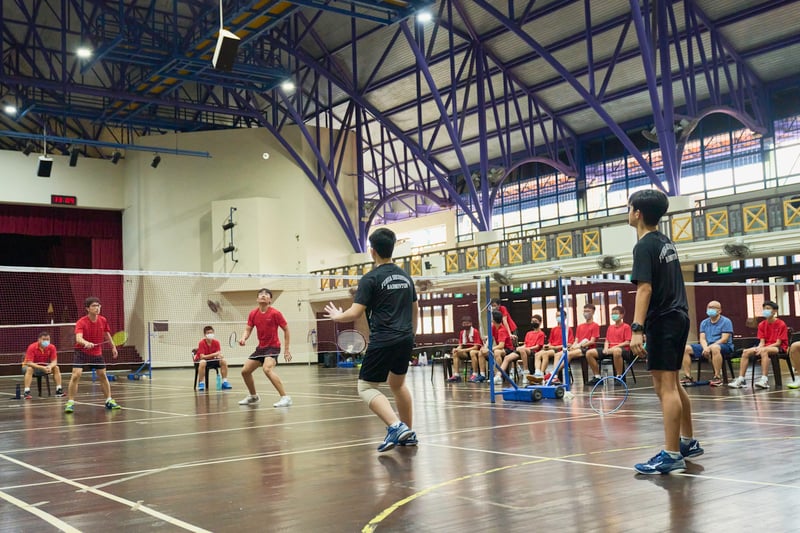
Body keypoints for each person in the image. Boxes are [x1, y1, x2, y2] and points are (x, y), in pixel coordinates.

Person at [324, 228, 418, 452]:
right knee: (398, 384)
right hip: (405, 338)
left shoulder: (370, 279)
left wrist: (338, 315)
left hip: (384, 339)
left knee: (365, 387)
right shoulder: (406, 277)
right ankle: (407, 432)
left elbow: (355, 313)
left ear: (371, 251)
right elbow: (415, 308)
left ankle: (395, 426)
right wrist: (411, 335)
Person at [628, 189, 700, 475]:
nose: (628, 211)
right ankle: (687, 442)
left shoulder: (644, 246)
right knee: (673, 383)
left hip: (663, 319)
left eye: (629, 207)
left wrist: (636, 329)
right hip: (679, 315)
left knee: (665, 387)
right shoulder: (666, 242)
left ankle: (671, 455)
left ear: (638, 213)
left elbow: (644, 288)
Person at [64, 297, 121, 413]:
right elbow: (78, 338)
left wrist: (113, 347)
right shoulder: (81, 322)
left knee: (102, 375)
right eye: (94, 306)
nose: (97, 308)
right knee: (76, 375)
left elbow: (107, 334)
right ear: (87, 308)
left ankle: (109, 400)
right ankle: (70, 402)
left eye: (98, 305)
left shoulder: (103, 320)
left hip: (96, 352)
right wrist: (86, 343)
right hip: (81, 352)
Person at [237, 289, 292, 407]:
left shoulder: (275, 313)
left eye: (266, 294)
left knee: (267, 369)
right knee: (245, 371)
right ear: (257, 299)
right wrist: (243, 338)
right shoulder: (253, 314)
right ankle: (253, 396)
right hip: (261, 348)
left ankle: (285, 397)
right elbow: (248, 329)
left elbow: (286, 330)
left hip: (273, 347)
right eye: (261, 294)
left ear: (270, 300)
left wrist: (286, 350)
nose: (263, 296)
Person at [728, 301, 788, 389]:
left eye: (768, 309)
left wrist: (763, 348)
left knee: (763, 351)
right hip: (765, 346)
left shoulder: (781, 324)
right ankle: (741, 379)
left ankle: (764, 380)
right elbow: (762, 342)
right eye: (764, 309)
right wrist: (759, 347)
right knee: (745, 352)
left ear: (774, 311)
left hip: (778, 347)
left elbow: (778, 343)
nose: (765, 311)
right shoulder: (761, 325)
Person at [680, 300, 734, 387]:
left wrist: (710, 347)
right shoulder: (704, 323)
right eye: (709, 307)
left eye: (713, 308)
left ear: (719, 310)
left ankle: (717, 377)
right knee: (685, 348)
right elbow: (702, 339)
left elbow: (724, 339)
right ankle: (688, 376)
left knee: (715, 348)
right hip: (707, 345)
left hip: (724, 346)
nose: (710, 309)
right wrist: (705, 348)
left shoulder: (726, 321)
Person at [586, 305, 631, 383]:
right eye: (612, 314)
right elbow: (607, 340)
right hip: (609, 349)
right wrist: (606, 348)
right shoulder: (610, 327)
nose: (614, 315)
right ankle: (597, 377)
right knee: (589, 353)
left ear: (622, 315)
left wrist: (615, 347)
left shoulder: (626, 327)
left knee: (616, 351)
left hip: (623, 350)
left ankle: (619, 376)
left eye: (616, 313)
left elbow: (627, 342)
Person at [530, 310, 574, 384]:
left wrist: (555, 347)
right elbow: (551, 342)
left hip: (559, 350)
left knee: (545, 354)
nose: (558, 317)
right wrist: (547, 346)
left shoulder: (568, 329)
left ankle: (547, 375)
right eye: (557, 316)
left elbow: (569, 344)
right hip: (552, 349)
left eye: (560, 316)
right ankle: (538, 373)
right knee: (537, 354)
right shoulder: (554, 329)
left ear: (565, 317)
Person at [22, 331, 63, 399]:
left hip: (44, 367)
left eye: (48, 339)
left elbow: (54, 362)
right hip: (28, 367)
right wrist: (42, 367)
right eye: (44, 339)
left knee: (56, 368)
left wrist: (50, 366)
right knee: (30, 369)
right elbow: (29, 363)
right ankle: (26, 392)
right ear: (39, 340)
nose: (46, 341)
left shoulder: (52, 347)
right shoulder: (32, 347)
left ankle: (59, 390)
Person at [566, 304, 600, 385]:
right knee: (559, 354)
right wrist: (573, 346)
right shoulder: (580, 326)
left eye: (588, 311)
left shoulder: (595, 325)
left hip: (587, 349)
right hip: (577, 348)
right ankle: (554, 375)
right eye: (585, 311)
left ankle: (554, 374)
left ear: (593, 312)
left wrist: (579, 346)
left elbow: (592, 341)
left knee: (568, 355)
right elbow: (576, 340)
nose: (586, 313)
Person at [194, 326, 232, 391]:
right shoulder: (202, 343)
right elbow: (202, 356)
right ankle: (201, 383)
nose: (210, 334)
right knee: (203, 362)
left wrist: (220, 356)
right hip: (202, 361)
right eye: (208, 333)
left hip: (212, 360)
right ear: (205, 334)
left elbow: (218, 354)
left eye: (211, 332)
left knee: (223, 361)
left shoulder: (216, 342)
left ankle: (224, 382)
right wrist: (214, 354)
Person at [447, 316, 482, 382]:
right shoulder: (462, 333)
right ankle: (456, 375)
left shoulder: (475, 331)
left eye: (467, 323)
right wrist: (456, 349)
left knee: (472, 352)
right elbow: (461, 345)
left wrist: (462, 350)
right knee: (456, 353)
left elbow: (476, 347)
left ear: (471, 324)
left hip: (476, 352)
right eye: (464, 324)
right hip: (466, 352)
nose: (465, 325)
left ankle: (475, 374)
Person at [484, 311, 514, 384]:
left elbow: (501, 346)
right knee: (481, 352)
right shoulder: (493, 327)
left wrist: (489, 349)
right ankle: (481, 374)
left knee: (497, 352)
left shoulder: (502, 330)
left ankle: (498, 376)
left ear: (493, 320)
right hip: (501, 348)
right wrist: (485, 347)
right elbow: (491, 338)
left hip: (508, 349)